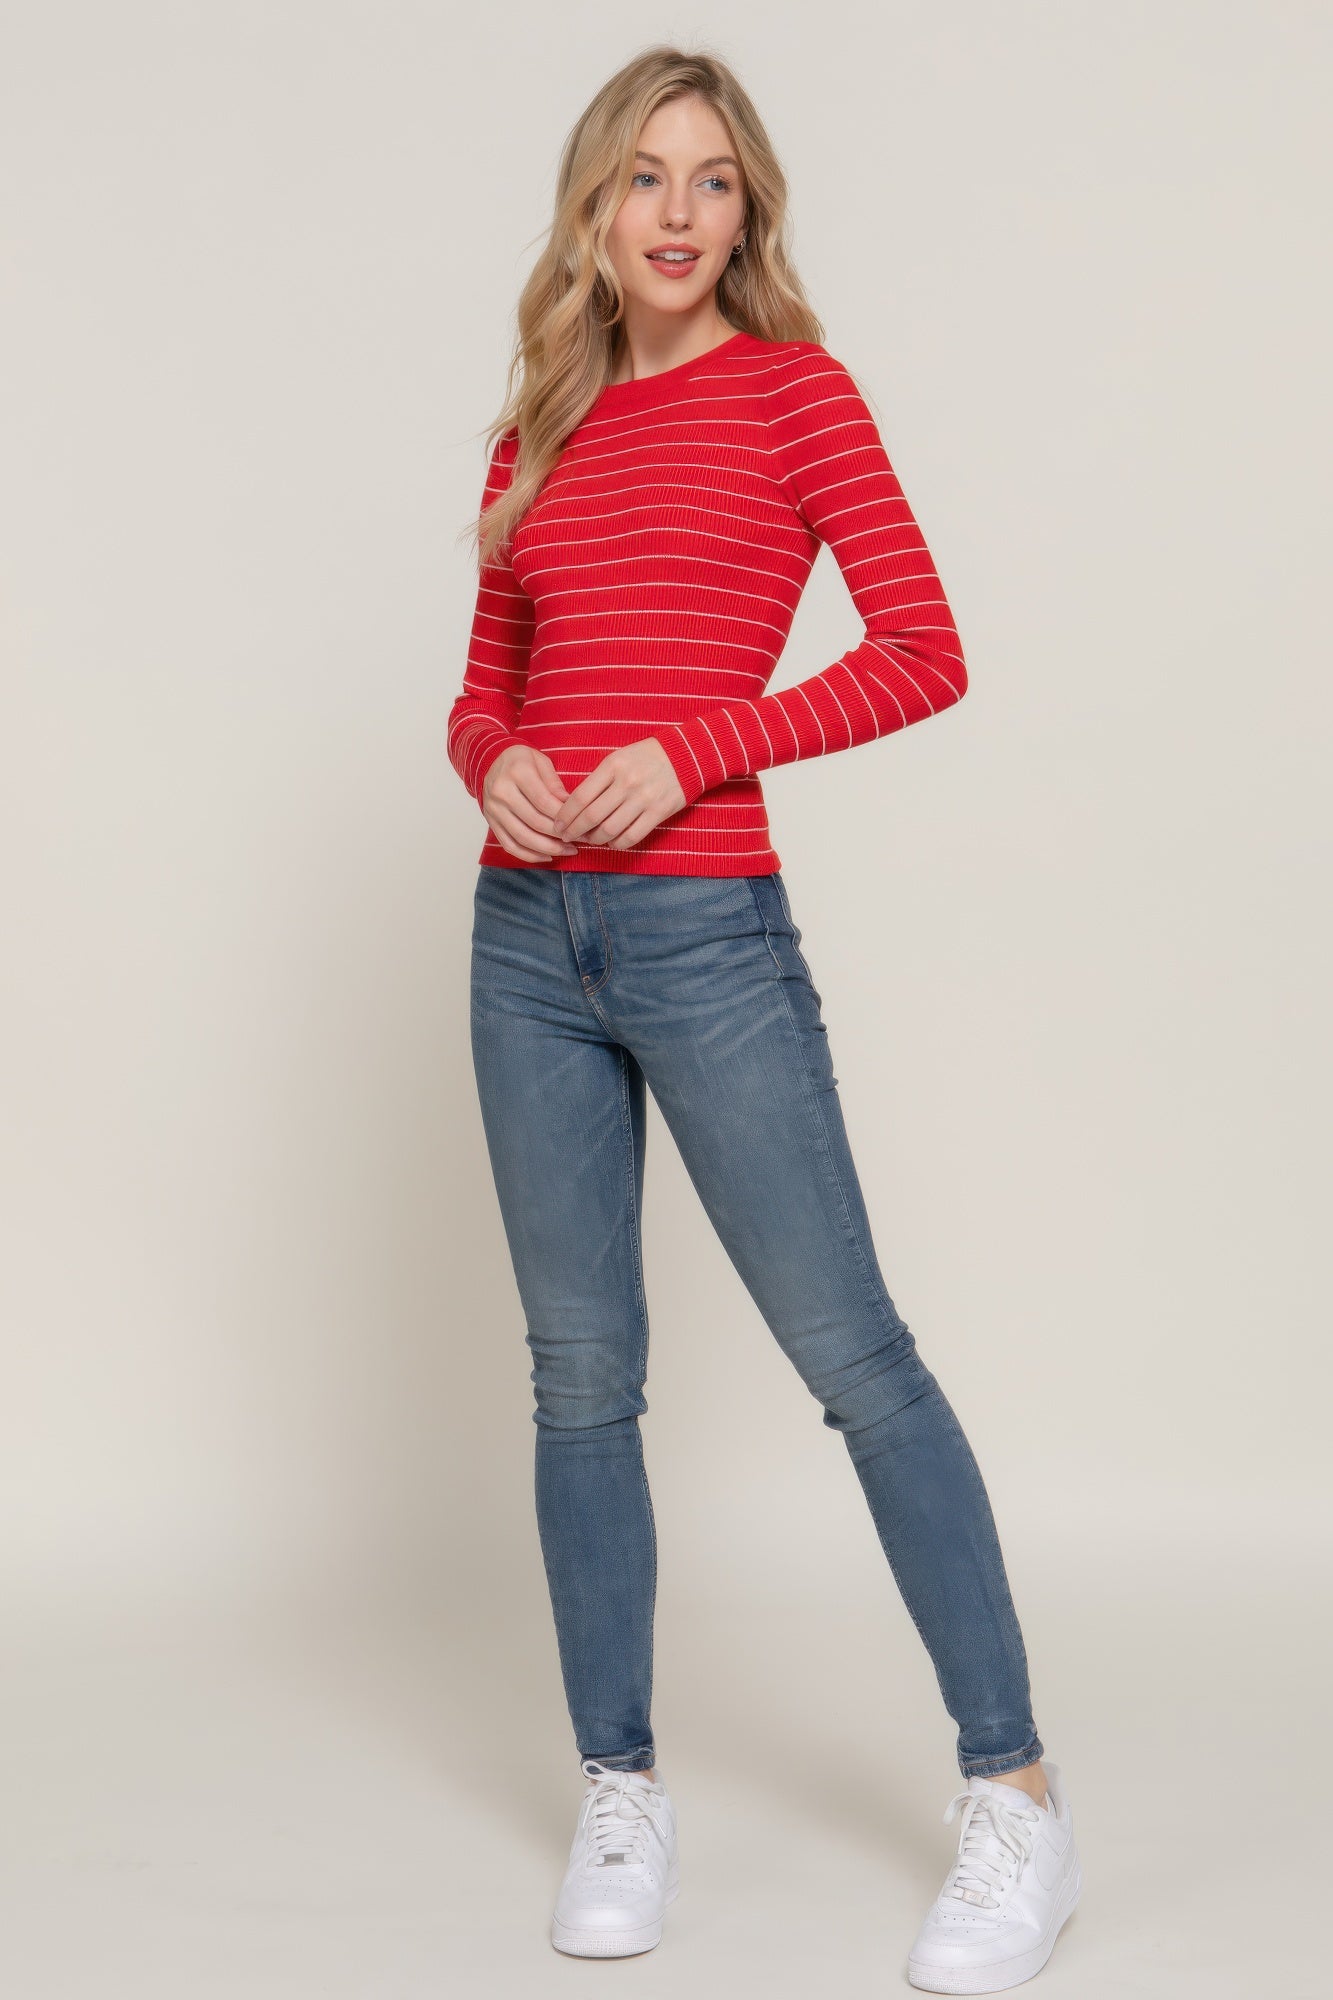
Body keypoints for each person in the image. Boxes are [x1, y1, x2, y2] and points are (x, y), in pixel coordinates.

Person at [448, 44, 1082, 1994]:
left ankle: (1015, 1793)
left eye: (711, 180)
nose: (675, 212)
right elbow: (483, 684)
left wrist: (697, 748)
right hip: (521, 937)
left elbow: (924, 650)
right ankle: (619, 1784)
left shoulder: (798, 393)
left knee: (854, 1358)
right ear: (591, 206)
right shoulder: (540, 420)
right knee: (579, 1378)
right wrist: (492, 765)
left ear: (749, 213)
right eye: (643, 177)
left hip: (703, 934)